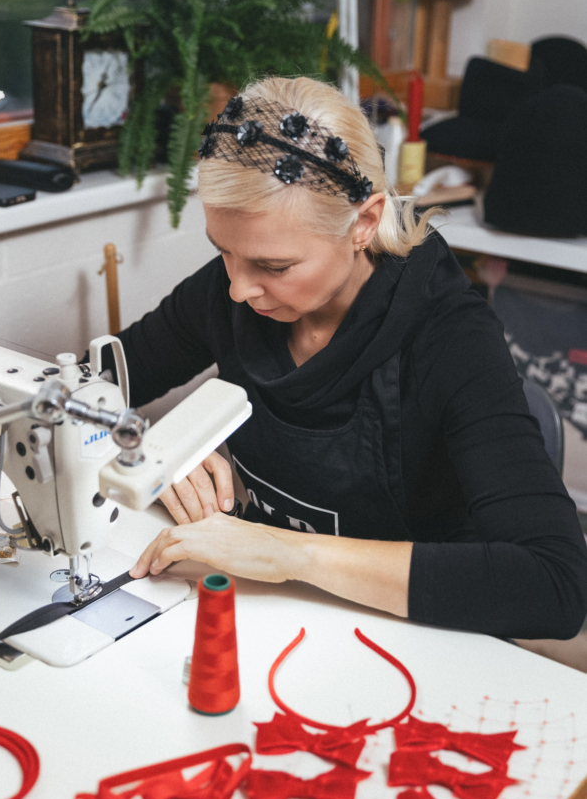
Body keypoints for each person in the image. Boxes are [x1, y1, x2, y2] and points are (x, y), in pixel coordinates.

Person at [113, 76, 587, 640]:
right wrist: (155, 448)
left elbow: (555, 583)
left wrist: (290, 553)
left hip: (415, 639)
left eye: (275, 266)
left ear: (363, 223)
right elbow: (93, 386)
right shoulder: (230, 290)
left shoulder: (451, 337)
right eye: (224, 253)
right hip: (273, 614)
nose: (239, 289)